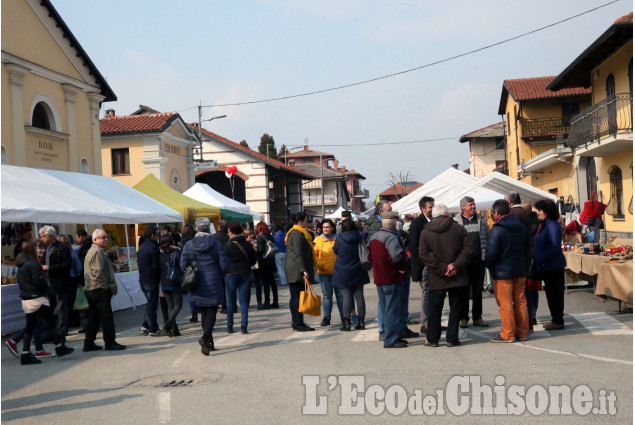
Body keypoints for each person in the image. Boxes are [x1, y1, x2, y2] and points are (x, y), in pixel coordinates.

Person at [419, 204, 472, 347]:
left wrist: (442, 268)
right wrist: (455, 265)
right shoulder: (459, 228)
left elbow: (424, 254)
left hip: (437, 275)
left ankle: (432, 339)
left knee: (435, 308)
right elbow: (468, 249)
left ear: (433, 215)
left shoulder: (426, 231)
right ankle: (452, 338)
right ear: (447, 213)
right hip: (458, 275)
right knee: (456, 308)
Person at [15, 241, 74, 364]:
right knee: (50, 323)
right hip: (37, 297)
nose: (39, 250)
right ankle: (59, 347)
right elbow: (39, 281)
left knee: (31, 326)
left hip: (27, 298)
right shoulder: (34, 264)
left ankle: (26, 353)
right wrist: (46, 292)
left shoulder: (21, 265)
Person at [180, 218, 230, 356]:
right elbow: (224, 263)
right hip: (213, 278)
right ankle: (206, 337)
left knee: (203, 310)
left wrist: (190, 271)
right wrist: (220, 274)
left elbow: (182, 263)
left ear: (197, 229)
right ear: (208, 228)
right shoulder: (215, 243)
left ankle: (209, 343)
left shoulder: (189, 244)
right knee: (212, 310)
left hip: (196, 280)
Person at [485, 200, 530, 343]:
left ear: (496, 213)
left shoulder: (497, 229)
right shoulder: (521, 228)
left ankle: (508, 334)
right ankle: (522, 332)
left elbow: (491, 254)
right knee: (521, 302)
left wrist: (489, 266)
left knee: (505, 304)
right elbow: (528, 249)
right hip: (520, 270)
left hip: (502, 273)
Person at [368, 211, 408, 348]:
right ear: (393, 223)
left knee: (386, 309)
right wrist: (401, 268)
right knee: (392, 309)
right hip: (391, 277)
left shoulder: (374, 236)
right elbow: (397, 257)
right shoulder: (390, 237)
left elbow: (369, 257)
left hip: (379, 277)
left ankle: (388, 334)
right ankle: (391, 339)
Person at [83, 229, 126, 352]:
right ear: (95, 240)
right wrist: (105, 287)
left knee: (94, 318)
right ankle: (110, 342)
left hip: (94, 288)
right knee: (106, 317)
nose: (106, 239)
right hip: (98, 289)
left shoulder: (98, 251)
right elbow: (98, 273)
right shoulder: (96, 252)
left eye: (106, 237)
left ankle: (89, 343)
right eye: (103, 237)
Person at [453, 196, 489, 329]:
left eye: (474, 204)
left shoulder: (481, 220)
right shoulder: (456, 221)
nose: (473, 207)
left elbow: (487, 238)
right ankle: (463, 317)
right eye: (470, 205)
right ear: (463, 207)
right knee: (463, 289)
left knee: (478, 290)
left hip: (479, 260)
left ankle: (477, 317)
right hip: (463, 262)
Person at [534, 199, 567, 331]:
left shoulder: (552, 225)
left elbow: (554, 246)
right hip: (547, 265)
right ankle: (555, 319)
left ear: (546, 211)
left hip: (553, 265)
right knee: (551, 293)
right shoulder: (545, 224)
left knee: (555, 294)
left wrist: (542, 258)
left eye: (540, 210)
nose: (538, 213)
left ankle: (558, 320)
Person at [333, 219, 369, 331]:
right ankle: (361, 322)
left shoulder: (339, 238)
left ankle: (347, 323)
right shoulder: (359, 236)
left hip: (343, 271)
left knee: (346, 297)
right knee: (359, 296)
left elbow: (335, 250)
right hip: (358, 269)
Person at [39, 225, 73, 342]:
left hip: (60, 282)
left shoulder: (62, 248)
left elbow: (67, 264)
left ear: (50, 236)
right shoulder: (48, 248)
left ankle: (61, 332)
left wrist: (49, 267)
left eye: (43, 236)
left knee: (61, 308)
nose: (41, 238)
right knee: (50, 308)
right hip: (49, 282)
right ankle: (51, 332)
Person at [284, 212, 316, 332]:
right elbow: (297, 253)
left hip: (294, 268)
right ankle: (299, 322)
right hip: (297, 269)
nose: (308, 222)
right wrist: (303, 270)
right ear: (300, 221)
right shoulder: (297, 233)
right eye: (306, 220)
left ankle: (296, 322)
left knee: (295, 297)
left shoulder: (296, 232)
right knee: (298, 297)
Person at [224, 222, 257, 334]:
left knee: (231, 300)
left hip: (230, 274)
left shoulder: (227, 245)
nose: (228, 234)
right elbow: (253, 261)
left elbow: (223, 261)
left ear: (232, 233)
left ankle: (230, 325)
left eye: (228, 232)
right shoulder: (247, 244)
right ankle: (244, 326)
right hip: (245, 273)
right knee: (244, 301)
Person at [408, 196, 434, 335]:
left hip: (434, 265)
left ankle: (432, 322)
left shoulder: (434, 220)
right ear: (423, 209)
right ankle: (425, 324)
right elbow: (415, 245)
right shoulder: (417, 223)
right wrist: (424, 263)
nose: (433, 209)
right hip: (424, 266)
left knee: (433, 294)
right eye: (430, 207)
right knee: (427, 294)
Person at [314, 219, 342, 327]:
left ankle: (344, 317)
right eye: (324, 227)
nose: (326, 229)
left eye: (328, 227)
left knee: (340, 296)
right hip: (324, 273)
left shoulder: (338, 239)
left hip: (338, 272)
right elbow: (314, 255)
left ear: (332, 228)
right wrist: (319, 264)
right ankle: (326, 317)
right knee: (327, 296)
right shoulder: (317, 240)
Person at [137, 227, 162, 337]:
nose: (158, 237)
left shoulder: (142, 247)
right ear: (152, 236)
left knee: (149, 303)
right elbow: (155, 266)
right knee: (152, 305)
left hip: (143, 279)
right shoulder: (153, 248)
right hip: (151, 279)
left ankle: (146, 325)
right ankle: (153, 328)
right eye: (157, 235)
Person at [159, 233, 183, 337]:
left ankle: (173, 328)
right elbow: (182, 266)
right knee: (178, 305)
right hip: (175, 282)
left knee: (170, 306)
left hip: (164, 282)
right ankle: (169, 323)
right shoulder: (176, 253)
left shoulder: (159, 254)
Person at [522, 201, 540, 330]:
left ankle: (528, 315)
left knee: (525, 288)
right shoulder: (538, 222)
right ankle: (533, 313)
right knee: (533, 287)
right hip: (535, 257)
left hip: (525, 258)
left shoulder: (523, 223)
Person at [255, 222, 279, 309]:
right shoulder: (270, 236)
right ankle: (275, 301)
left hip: (263, 262)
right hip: (271, 261)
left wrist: (255, 250)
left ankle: (267, 302)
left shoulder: (260, 237)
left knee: (265, 283)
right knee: (272, 282)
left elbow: (261, 250)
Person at [179, 224, 199, 323]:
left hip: (189, 268)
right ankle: (200, 308)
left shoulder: (183, 241)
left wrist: (183, 268)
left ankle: (194, 312)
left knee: (191, 289)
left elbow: (182, 256)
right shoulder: (196, 239)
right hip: (199, 266)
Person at [214, 220, 230, 314]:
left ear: (219, 227)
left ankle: (224, 306)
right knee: (230, 287)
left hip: (219, 264)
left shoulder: (215, 237)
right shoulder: (229, 236)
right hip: (230, 263)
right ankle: (231, 305)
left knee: (221, 287)